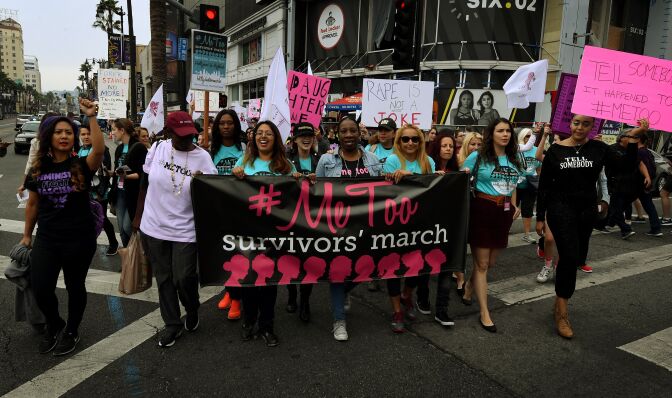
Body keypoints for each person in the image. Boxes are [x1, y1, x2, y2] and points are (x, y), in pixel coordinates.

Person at [536, 115, 646, 339]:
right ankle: (563, 313)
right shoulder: (556, 150)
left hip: (586, 212)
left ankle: (559, 302)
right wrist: (540, 216)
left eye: (586, 124)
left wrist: (634, 137)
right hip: (560, 209)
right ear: (570, 124)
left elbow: (625, 166)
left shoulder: (599, 148)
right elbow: (545, 185)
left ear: (591, 126)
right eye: (576, 122)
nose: (580, 127)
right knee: (568, 255)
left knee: (574, 258)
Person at [22, 99, 103, 356]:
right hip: (47, 238)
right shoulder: (37, 168)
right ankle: (55, 324)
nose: (64, 136)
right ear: (49, 136)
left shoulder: (80, 165)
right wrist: (26, 235)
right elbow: (32, 204)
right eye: (58, 132)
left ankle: (72, 330)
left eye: (68, 131)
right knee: (42, 286)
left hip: (79, 238)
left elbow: (99, 152)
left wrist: (91, 117)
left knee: (75, 285)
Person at [138, 111, 217, 348]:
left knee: (185, 278)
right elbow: (145, 182)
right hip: (153, 226)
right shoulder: (158, 149)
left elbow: (212, 196)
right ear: (169, 133)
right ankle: (172, 324)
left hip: (185, 229)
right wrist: (137, 218)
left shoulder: (203, 157)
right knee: (164, 279)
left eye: (190, 135)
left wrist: (203, 185)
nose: (187, 140)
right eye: (181, 135)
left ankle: (192, 308)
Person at [316, 116, 383, 341]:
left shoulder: (373, 159)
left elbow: (384, 189)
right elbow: (316, 193)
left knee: (366, 267)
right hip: (336, 228)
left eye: (352, 131)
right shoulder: (326, 161)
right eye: (343, 131)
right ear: (337, 134)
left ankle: (344, 291)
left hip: (366, 226)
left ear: (359, 132)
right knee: (338, 271)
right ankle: (338, 320)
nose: (348, 135)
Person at [232, 120, 297, 347]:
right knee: (250, 281)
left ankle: (267, 326)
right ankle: (249, 322)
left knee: (269, 283)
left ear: (275, 138)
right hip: (249, 231)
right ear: (253, 138)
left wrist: (299, 180)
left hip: (275, 233)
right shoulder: (245, 161)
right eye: (259, 133)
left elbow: (298, 195)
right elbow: (232, 188)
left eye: (268, 134)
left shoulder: (285, 165)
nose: (263, 137)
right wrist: (235, 173)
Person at [461, 118, 525, 333]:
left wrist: (514, 203)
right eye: (500, 131)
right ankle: (484, 313)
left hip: (504, 213)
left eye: (508, 131)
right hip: (482, 209)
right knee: (482, 264)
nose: (505, 134)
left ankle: (470, 286)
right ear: (492, 134)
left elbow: (513, 183)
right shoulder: (477, 156)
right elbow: (460, 179)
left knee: (491, 262)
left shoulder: (515, 158)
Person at [382, 124, 436, 333]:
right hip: (395, 223)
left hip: (420, 223)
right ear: (399, 141)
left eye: (415, 139)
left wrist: (411, 177)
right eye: (405, 139)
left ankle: (407, 295)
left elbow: (433, 188)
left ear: (420, 142)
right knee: (394, 267)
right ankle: (397, 310)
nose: (410, 142)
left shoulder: (428, 162)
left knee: (416, 266)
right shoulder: (392, 161)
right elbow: (389, 191)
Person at [210, 109, 246, 320]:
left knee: (237, 256)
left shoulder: (244, 148)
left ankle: (237, 299)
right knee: (224, 255)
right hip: (218, 211)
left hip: (239, 210)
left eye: (229, 123)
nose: (226, 126)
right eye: (222, 123)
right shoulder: (210, 150)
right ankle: (229, 290)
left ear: (235, 125)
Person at [285, 122, 320, 321]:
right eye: (302, 135)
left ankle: (305, 301)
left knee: (310, 262)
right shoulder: (286, 161)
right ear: (295, 139)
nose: (306, 139)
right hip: (292, 219)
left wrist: (320, 179)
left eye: (309, 135)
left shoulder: (320, 160)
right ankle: (291, 294)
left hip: (314, 220)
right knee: (291, 260)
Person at [603, 130, 653, 239]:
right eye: (631, 137)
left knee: (618, 207)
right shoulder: (613, 149)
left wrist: (647, 176)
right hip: (616, 183)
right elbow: (621, 165)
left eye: (635, 138)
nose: (634, 140)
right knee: (616, 207)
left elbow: (640, 163)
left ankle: (608, 223)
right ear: (622, 138)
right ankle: (625, 230)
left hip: (630, 186)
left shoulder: (632, 150)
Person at [78, 123, 118, 256]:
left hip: (99, 193)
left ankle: (113, 243)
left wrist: (101, 192)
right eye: (83, 134)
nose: (86, 137)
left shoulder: (102, 150)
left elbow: (105, 173)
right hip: (84, 192)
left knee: (102, 219)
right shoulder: (80, 149)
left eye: (89, 134)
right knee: (86, 219)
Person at [111, 118, 147, 247]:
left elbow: (142, 174)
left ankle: (136, 256)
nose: (112, 133)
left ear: (122, 130)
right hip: (120, 192)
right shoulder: (119, 148)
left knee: (128, 226)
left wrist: (125, 176)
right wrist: (112, 173)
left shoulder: (139, 147)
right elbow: (117, 170)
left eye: (114, 129)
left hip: (134, 193)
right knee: (121, 228)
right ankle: (128, 259)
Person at [516, 128, 541, 244]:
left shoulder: (537, 150)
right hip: (515, 185)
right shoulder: (517, 149)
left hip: (530, 185)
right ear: (522, 137)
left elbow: (539, 168)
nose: (530, 138)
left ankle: (526, 234)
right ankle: (503, 232)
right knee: (511, 209)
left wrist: (537, 180)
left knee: (528, 209)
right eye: (527, 136)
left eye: (531, 136)